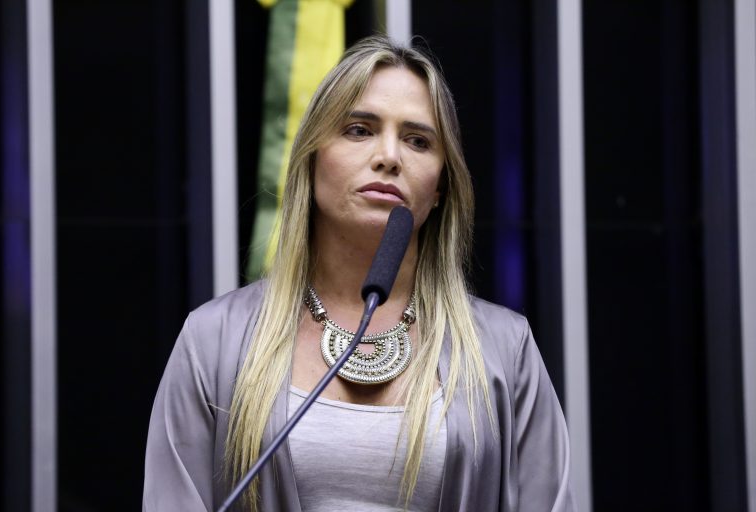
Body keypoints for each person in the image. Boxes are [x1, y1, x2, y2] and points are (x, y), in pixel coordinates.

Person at [143, 35, 574, 512]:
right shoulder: (212, 340)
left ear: (440, 188)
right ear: (312, 158)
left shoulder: (506, 350)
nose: (389, 156)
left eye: (417, 141)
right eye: (359, 130)